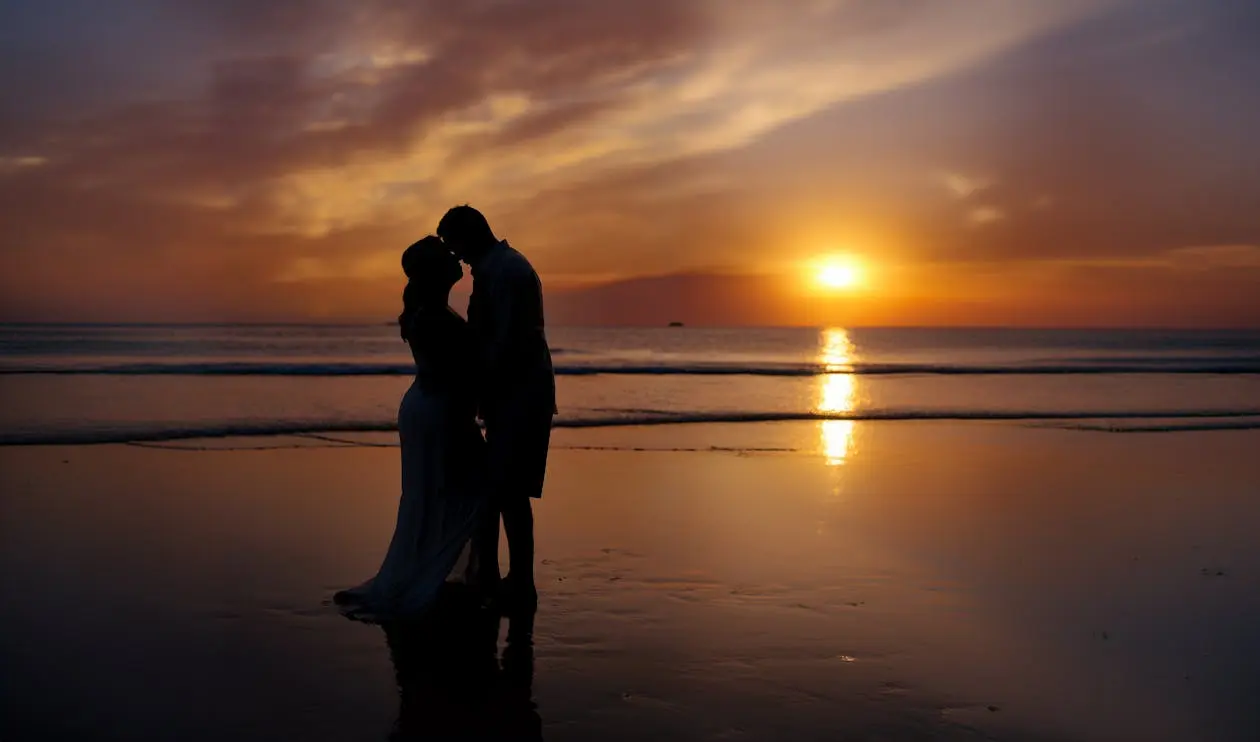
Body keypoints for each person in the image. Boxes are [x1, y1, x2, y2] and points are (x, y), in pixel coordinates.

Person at [333, 236, 487, 621]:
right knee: (457, 491)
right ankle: (436, 578)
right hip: (438, 413)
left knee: (441, 494)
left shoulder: (433, 310)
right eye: (445, 254)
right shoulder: (433, 316)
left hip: (432, 409)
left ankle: (453, 574)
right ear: (436, 271)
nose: (455, 256)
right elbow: (449, 372)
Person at [437, 205, 556, 613]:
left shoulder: (504, 272)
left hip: (520, 396)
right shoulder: (501, 267)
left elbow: (504, 344)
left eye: (454, 247)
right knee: (507, 491)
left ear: (468, 236)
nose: (456, 259)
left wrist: (480, 393)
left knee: (507, 490)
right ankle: (510, 578)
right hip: (517, 394)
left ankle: (516, 582)